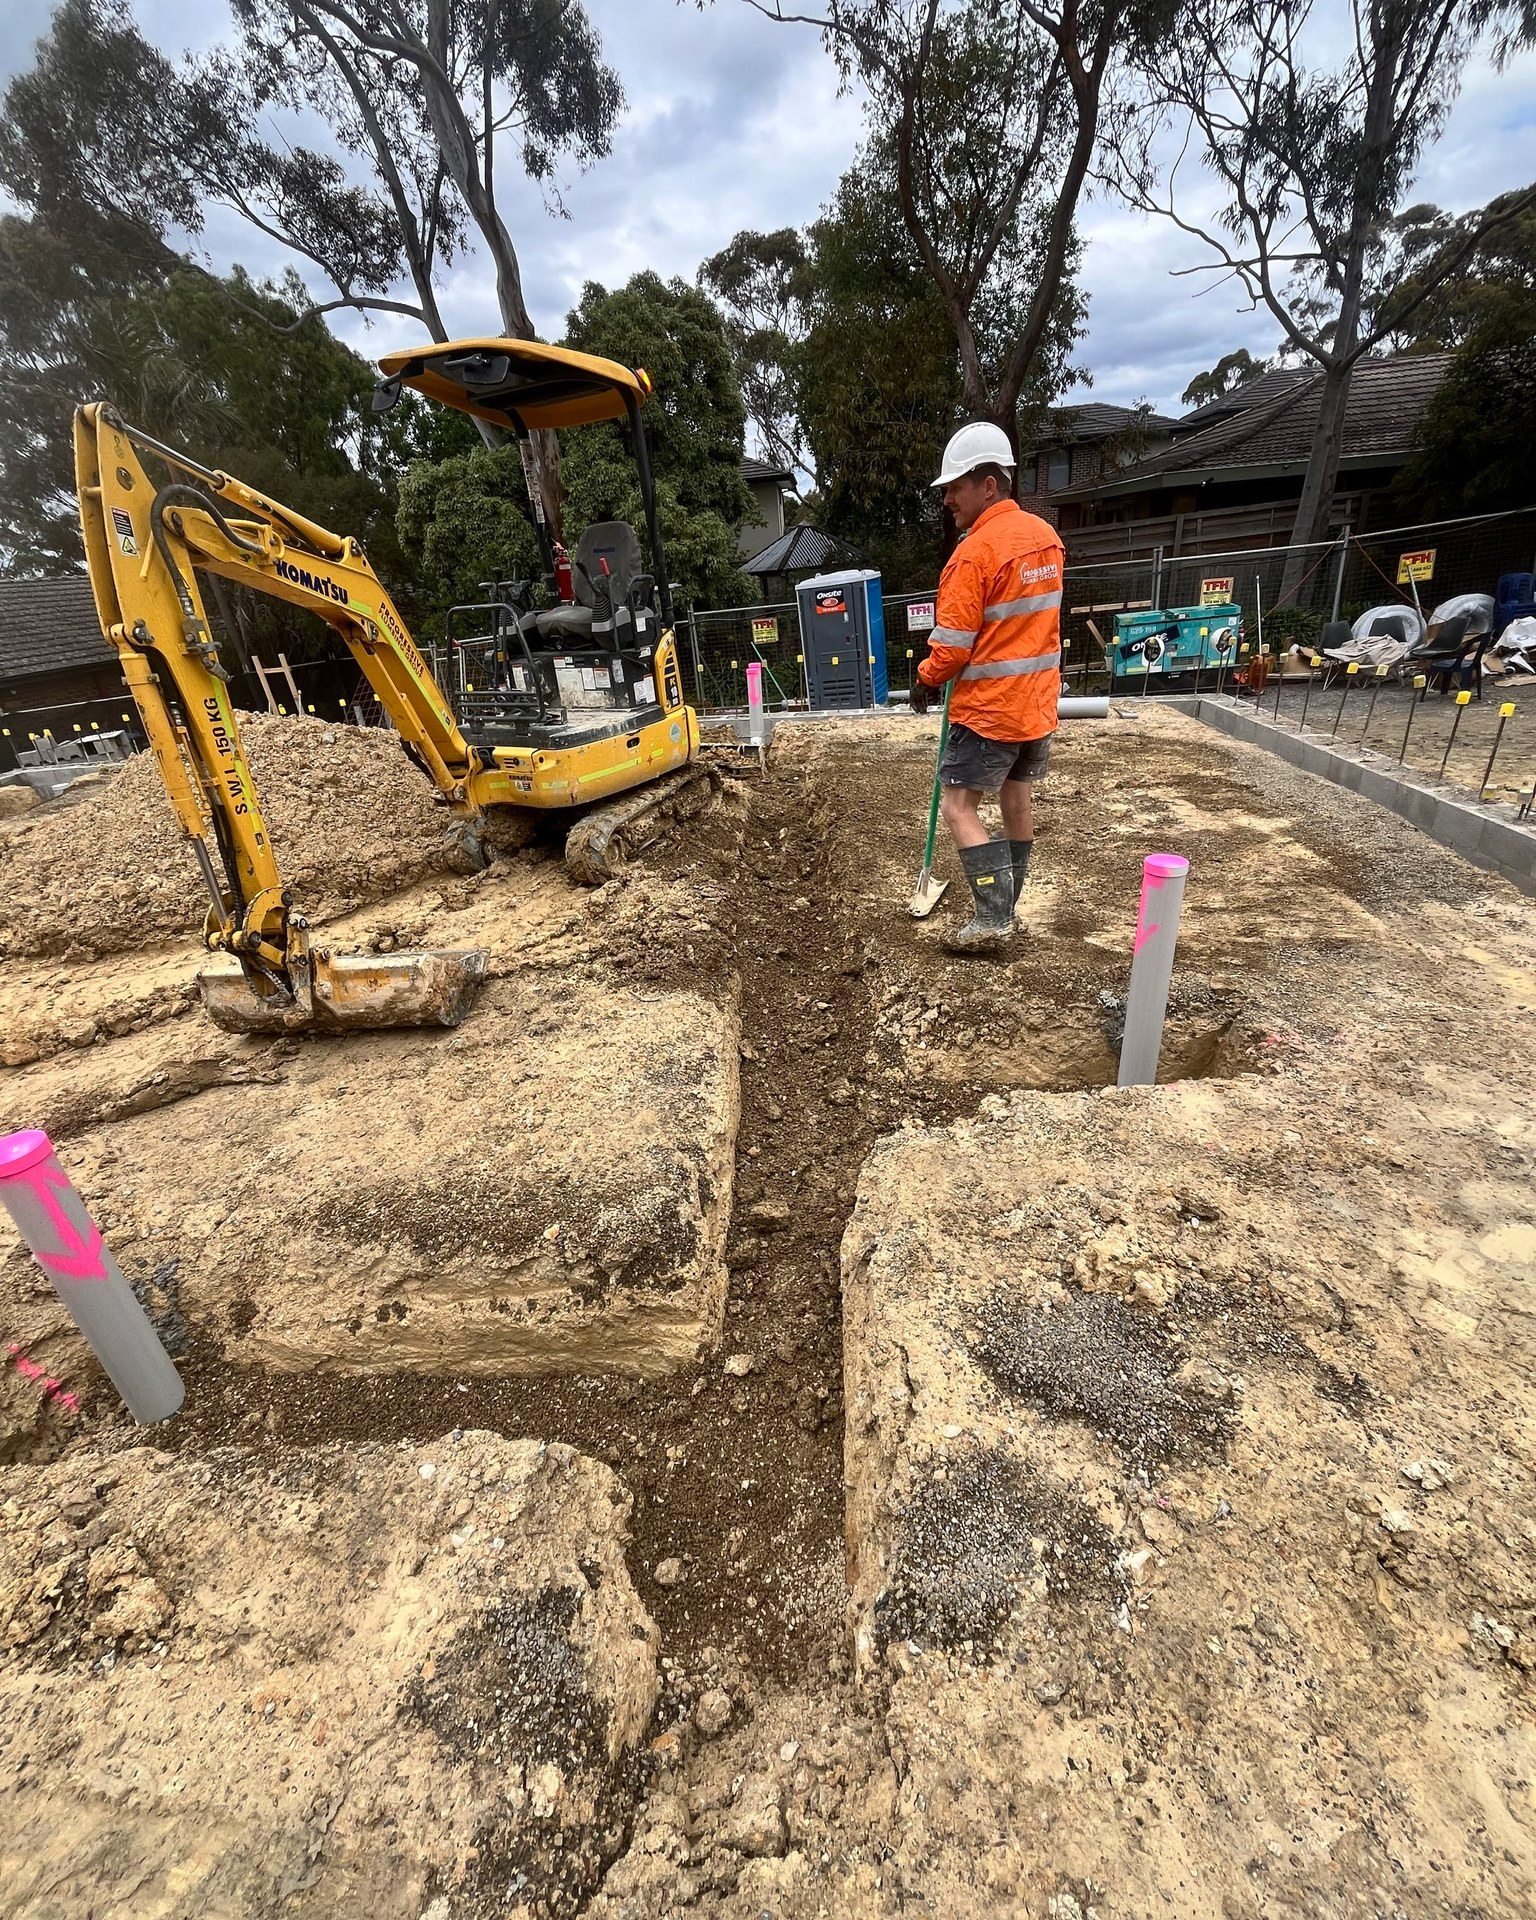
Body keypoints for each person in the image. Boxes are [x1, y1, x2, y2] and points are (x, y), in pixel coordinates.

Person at [909, 422, 1065, 954]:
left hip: (991, 711)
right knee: (1016, 796)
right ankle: (1009, 897)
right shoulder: (1047, 539)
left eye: (956, 486)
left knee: (958, 808)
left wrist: (926, 679)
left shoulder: (973, 554)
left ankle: (995, 916)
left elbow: (951, 648)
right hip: (1037, 706)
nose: (948, 498)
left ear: (990, 483)